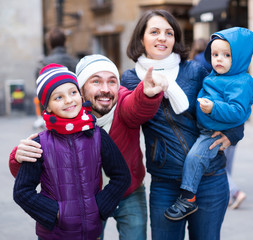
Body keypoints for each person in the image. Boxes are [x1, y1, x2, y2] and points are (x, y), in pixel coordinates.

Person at [9, 54, 167, 240]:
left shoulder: (107, 123)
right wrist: (54, 213)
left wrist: (148, 94)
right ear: (82, 89)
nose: (105, 89)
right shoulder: (45, 138)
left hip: (115, 201)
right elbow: (23, 186)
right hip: (62, 226)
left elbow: (137, 105)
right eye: (96, 81)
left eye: (112, 81)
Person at [121, 9, 244, 240]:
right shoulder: (130, 79)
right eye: (155, 32)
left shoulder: (195, 70)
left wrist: (234, 133)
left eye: (169, 33)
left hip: (210, 179)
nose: (162, 38)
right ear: (141, 38)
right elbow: (128, 118)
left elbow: (229, 99)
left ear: (175, 38)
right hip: (165, 184)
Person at [164, 27, 253, 220]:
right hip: (204, 128)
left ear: (238, 57)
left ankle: (187, 198)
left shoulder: (240, 82)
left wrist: (213, 108)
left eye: (226, 55)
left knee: (195, 158)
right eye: (215, 54)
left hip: (213, 133)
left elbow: (238, 111)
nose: (218, 59)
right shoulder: (215, 76)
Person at [33, 27, 79, 129]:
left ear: (49, 44)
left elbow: (40, 92)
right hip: (74, 112)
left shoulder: (42, 63)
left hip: (52, 115)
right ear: (65, 42)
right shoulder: (75, 62)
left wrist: (42, 114)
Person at [224, 145, 247, 209]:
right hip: (233, 138)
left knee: (220, 166)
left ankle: (236, 192)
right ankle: (228, 195)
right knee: (227, 165)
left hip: (219, 137)